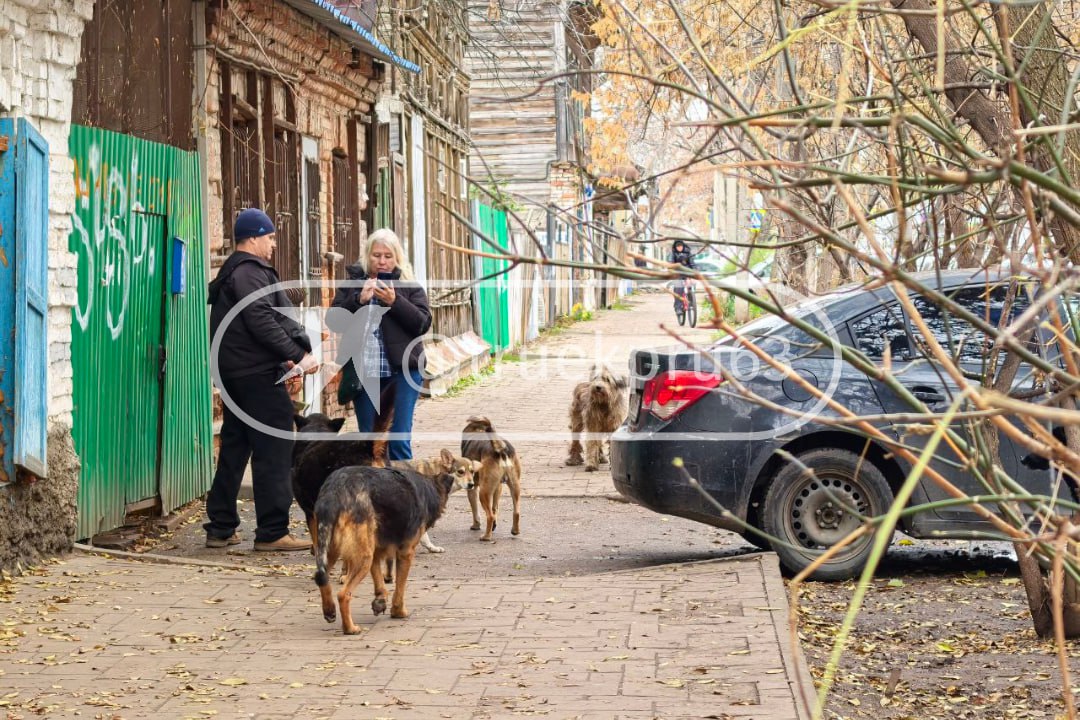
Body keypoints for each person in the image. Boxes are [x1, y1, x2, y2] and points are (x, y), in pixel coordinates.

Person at [205, 208, 319, 552]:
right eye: (269, 237)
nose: (272, 244)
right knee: (275, 447)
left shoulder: (235, 271)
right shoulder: (249, 272)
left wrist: (282, 356)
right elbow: (261, 319)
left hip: (238, 371)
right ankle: (272, 532)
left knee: (236, 445)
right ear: (253, 238)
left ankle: (221, 526)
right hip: (253, 375)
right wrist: (298, 355)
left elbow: (250, 324)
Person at [332, 228, 432, 460]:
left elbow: (422, 324)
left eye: (388, 256)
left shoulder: (410, 286)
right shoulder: (353, 285)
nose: (382, 261)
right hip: (365, 375)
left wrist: (395, 302)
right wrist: (359, 300)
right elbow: (335, 320)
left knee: (398, 439)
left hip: (402, 373)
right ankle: (377, 492)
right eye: (376, 255)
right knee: (372, 443)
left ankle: (404, 492)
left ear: (397, 258)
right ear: (368, 256)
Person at [669, 240, 695, 309]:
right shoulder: (673, 254)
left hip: (687, 272)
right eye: (677, 246)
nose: (679, 248)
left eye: (680, 246)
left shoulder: (688, 253)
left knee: (690, 285)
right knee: (678, 288)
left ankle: (691, 301)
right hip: (678, 274)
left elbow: (692, 264)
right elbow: (671, 264)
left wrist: (694, 272)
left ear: (683, 246)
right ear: (675, 247)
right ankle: (678, 307)